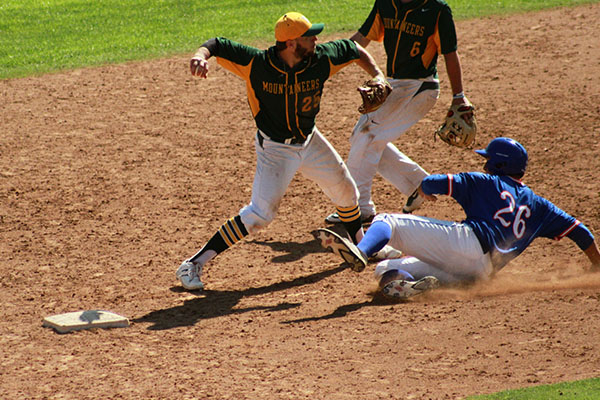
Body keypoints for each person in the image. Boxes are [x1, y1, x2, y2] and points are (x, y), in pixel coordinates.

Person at [176, 12, 394, 290]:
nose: (316, 39)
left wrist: (377, 74)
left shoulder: (320, 58)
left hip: (309, 140)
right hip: (275, 149)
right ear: (291, 43)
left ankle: (363, 247)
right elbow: (217, 44)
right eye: (309, 35)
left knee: (347, 192)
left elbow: (353, 49)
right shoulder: (257, 64)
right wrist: (200, 55)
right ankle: (192, 264)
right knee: (260, 214)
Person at [317, 137, 600, 299]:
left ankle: (361, 251)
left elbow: (431, 183)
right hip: (480, 272)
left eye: (488, 159)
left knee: (387, 222)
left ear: (498, 164)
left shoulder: (484, 181)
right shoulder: (541, 206)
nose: (484, 163)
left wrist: (421, 191)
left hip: (466, 243)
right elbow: (581, 231)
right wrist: (596, 266)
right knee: (386, 270)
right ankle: (417, 286)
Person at [325, 0, 473, 224]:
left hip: (420, 87)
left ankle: (360, 208)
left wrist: (458, 96)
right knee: (363, 138)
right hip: (394, 85)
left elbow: (450, 54)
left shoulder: (436, 10)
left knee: (367, 137)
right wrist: (324, 60)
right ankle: (417, 183)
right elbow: (360, 40)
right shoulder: (386, 3)